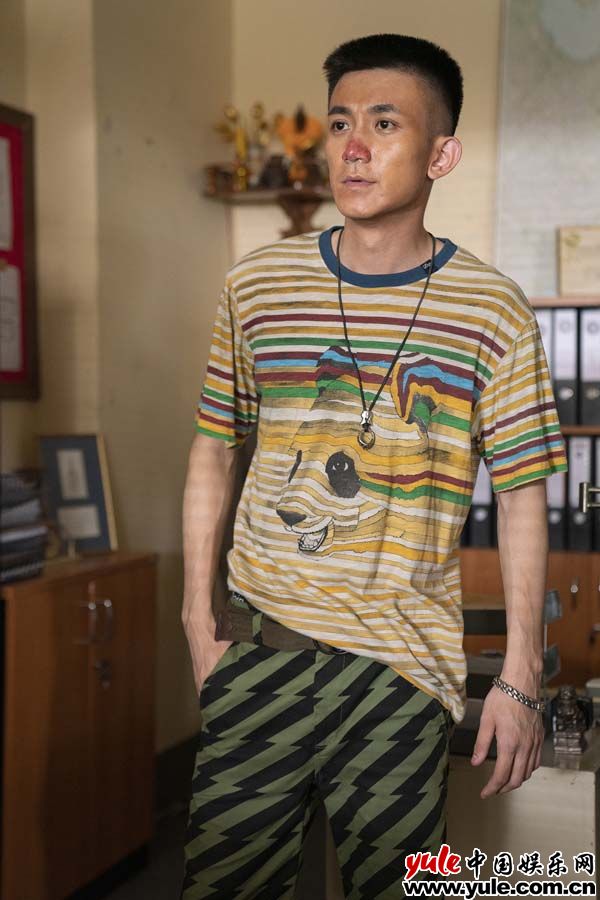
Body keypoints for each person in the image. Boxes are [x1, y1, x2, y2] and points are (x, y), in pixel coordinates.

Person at [180, 33, 567, 899]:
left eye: (384, 124)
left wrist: (522, 675)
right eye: (340, 123)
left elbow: (521, 497)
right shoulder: (257, 285)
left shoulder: (492, 310)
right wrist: (195, 615)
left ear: (441, 155)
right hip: (260, 653)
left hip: (401, 672)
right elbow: (213, 446)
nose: (352, 147)